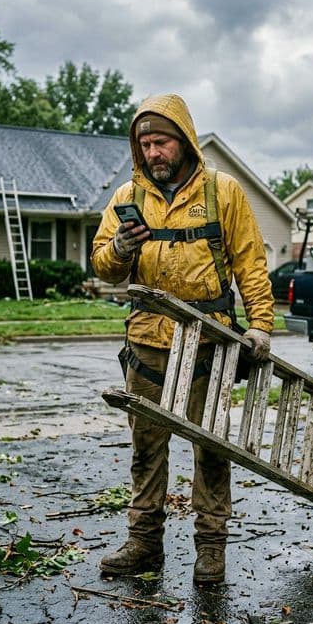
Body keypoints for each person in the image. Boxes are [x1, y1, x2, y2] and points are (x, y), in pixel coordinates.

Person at [90, 93, 274, 584]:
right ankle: (144, 543)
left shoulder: (223, 191)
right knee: (146, 448)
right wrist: (119, 248)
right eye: (145, 144)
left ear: (185, 141)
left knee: (210, 448)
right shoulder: (127, 198)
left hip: (208, 343)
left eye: (162, 142)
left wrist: (260, 325)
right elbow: (103, 266)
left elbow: (251, 263)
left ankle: (211, 548)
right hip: (148, 342)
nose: (154, 152)